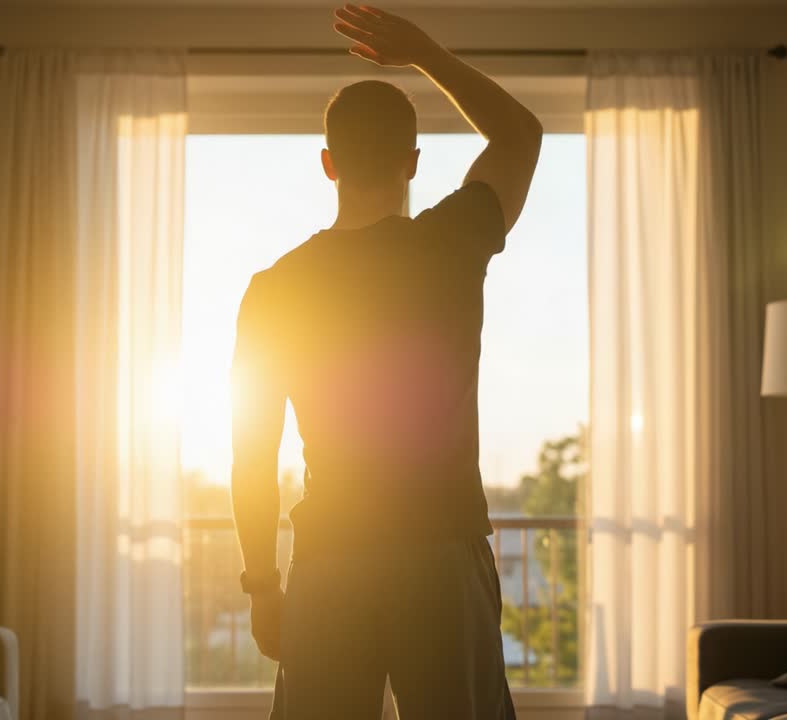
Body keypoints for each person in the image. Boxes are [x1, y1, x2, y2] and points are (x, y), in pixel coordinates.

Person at [230, 5, 543, 718]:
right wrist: (424, 52)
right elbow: (520, 132)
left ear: (328, 164)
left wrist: (262, 586)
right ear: (413, 162)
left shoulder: (274, 288)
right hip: (441, 554)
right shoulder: (451, 243)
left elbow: (251, 455)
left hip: (332, 560)